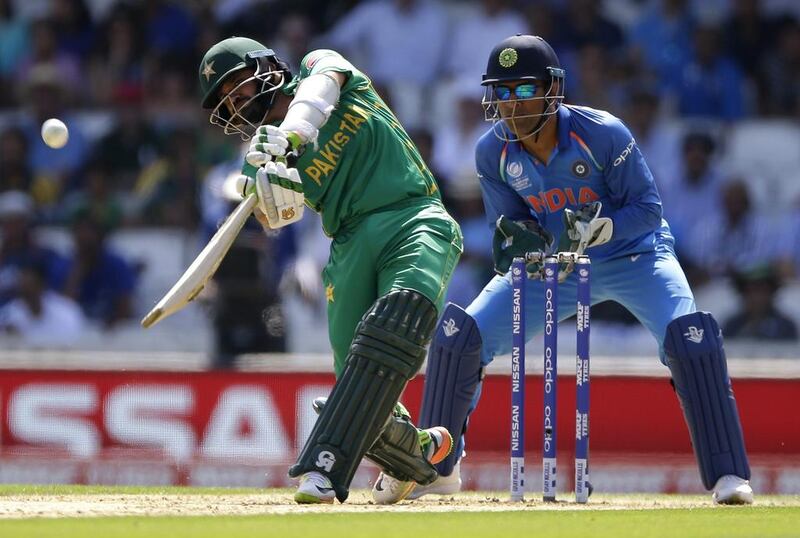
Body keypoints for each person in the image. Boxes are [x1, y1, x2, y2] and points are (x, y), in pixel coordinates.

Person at [392, 34, 753, 505]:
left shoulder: (602, 132)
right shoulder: (492, 152)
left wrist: (604, 228)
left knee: (690, 337)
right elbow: (512, 227)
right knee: (460, 336)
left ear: (551, 90)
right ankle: (438, 467)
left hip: (635, 255)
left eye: (523, 90)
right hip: (555, 265)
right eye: (501, 92)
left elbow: (647, 208)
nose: (511, 105)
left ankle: (729, 476)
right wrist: (519, 244)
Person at [196, 37, 462, 504]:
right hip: (348, 243)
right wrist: (264, 177)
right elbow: (280, 218)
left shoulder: (320, 65)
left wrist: (293, 136)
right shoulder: (261, 154)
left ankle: (325, 467)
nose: (237, 103)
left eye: (237, 86)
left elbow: (320, 91)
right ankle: (426, 460)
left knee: (398, 318)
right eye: (228, 101)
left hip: (412, 214)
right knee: (359, 377)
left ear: (266, 67)